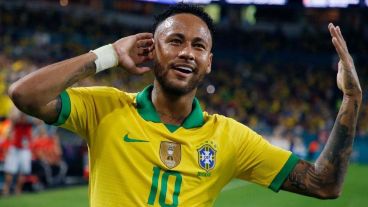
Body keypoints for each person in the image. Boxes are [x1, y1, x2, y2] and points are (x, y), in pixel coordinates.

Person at [7, 3, 362, 207]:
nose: (187, 52)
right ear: (151, 49)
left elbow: (323, 184)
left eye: (198, 46)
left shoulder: (229, 137)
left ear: (209, 61)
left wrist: (351, 99)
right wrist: (109, 54)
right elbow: (25, 94)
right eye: (175, 41)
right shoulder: (105, 108)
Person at [2, 106, 33, 195]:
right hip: (15, 148)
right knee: (10, 170)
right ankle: (6, 190)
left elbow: (39, 121)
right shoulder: (17, 121)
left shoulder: (29, 121)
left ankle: (18, 190)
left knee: (23, 171)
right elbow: (13, 118)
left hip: (25, 149)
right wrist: (18, 109)